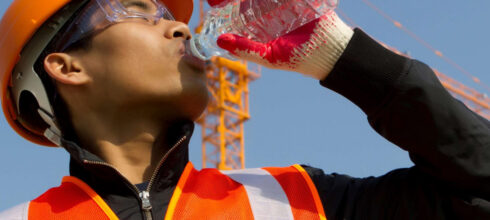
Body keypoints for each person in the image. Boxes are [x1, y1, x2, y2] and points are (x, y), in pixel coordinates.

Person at [0, 0, 489, 219]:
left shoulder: (297, 202)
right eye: (138, 9)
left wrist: (340, 55)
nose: (179, 30)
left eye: (171, 17)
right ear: (66, 66)